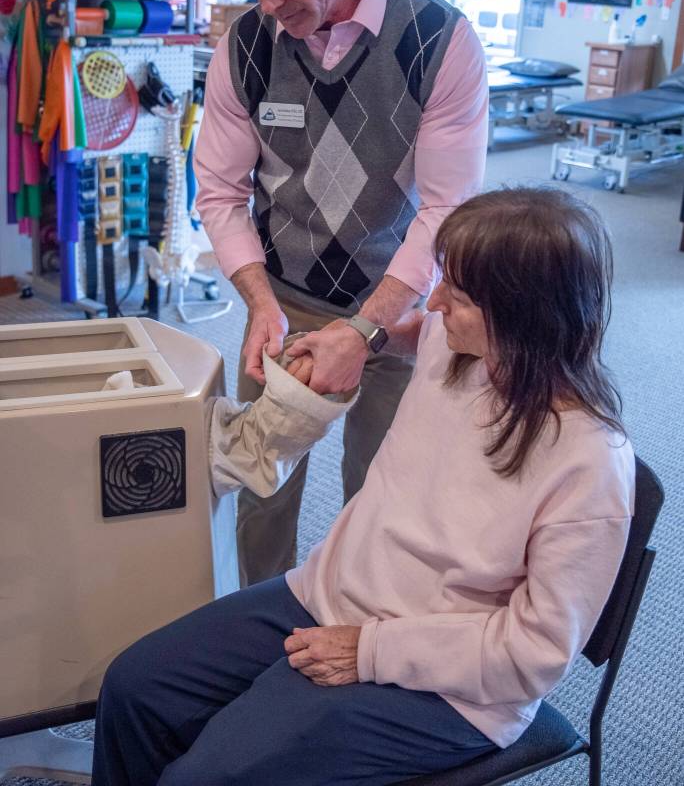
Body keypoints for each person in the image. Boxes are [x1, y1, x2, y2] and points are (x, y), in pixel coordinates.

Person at [92, 187, 634, 786]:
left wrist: (370, 651)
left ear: (524, 312)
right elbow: (409, 331)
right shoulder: (455, 347)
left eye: (459, 293)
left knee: (204, 779)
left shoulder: (588, 465)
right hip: (332, 594)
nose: (435, 301)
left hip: (452, 687)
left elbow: (532, 657)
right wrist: (358, 337)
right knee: (135, 688)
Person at [194, 0, 489, 586]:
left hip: (398, 309)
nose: (264, 3)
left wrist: (367, 328)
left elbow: (448, 212)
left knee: (384, 493)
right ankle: (255, 628)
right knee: (261, 489)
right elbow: (221, 193)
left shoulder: (440, 43)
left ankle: (361, 635)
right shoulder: (245, 47)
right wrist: (259, 302)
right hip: (283, 299)